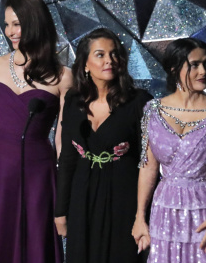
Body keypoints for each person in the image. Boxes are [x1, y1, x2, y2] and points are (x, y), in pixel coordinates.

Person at [0, 0, 72, 262]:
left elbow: (61, 139)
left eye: (17, 24)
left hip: (38, 175)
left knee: (34, 245)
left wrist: (64, 190)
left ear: (35, 23)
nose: (11, 31)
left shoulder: (64, 76)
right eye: (7, 25)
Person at [131, 38, 206, 262]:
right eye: (194, 65)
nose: (203, 71)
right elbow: (148, 167)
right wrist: (140, 217)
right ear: (174, 69)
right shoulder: (152, 111)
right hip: (166, 211)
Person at [54, 28, 153, 263]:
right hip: (82, 196)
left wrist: (143, 215)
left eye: (115, 54)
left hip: (124, 198)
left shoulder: (140, 102)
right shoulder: (73, 100)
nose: (109, 60)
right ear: (85, 64)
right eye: (100, 55)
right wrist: (60, 211)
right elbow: (67, 159)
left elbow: (148, 164)